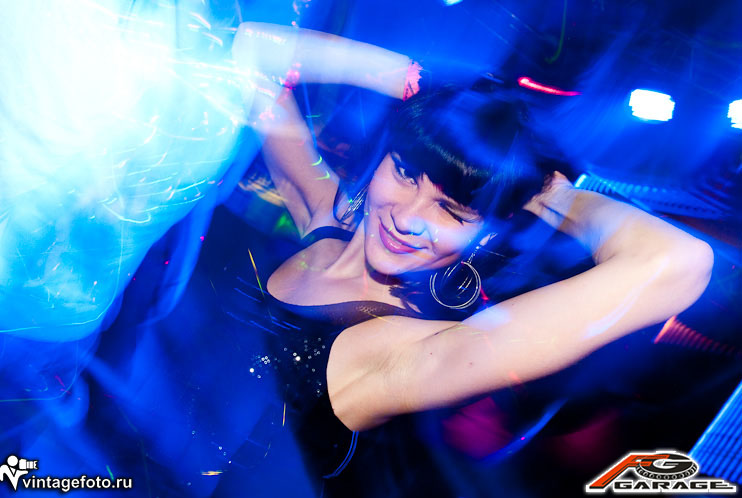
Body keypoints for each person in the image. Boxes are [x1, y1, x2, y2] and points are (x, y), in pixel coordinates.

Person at [226, 21, 715, 494]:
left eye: (453, 211)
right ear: (382, 157)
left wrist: (548, 192)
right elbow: (251, 51)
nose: (408, 217)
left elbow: (678, 262)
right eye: (406, 173)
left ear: (485, 234)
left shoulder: (402, 354)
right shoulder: (323, 217)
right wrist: (421, 87)